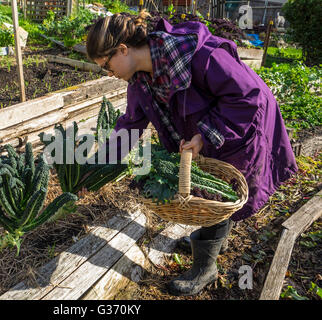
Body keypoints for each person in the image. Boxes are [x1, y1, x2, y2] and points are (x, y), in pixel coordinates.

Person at [85, 11, 298, 296]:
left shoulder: (197, 56)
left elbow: (249, 96)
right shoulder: (140, 80)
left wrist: (204, 135)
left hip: (241, 123)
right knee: (212, 188)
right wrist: (96, 169)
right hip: (208, 133)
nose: (108, 73)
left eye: (106, 65)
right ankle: (211, 240)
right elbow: (130, 125)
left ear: (123, 50)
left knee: (219, 192)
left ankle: (205, 268)